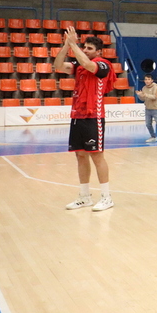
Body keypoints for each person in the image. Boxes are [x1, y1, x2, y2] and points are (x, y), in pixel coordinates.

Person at [54, 29, 117, 211]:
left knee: (96, 155)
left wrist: (74, 44)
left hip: (94, 116)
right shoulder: (78, 64)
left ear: (99, 51)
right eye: (85, 47)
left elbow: (88, 65)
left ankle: (106, 197)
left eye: (90, 48)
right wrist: (67, 45)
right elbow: (58, 65)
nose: (86, 50)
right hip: (77, 115)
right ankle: (84, 196)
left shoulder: (104, 64)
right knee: (80, 155)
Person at [136, 74, 157, 145]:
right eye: (146, 79)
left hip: (155, 108)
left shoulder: (156, 87)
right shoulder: (144, 88)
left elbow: (155, 97)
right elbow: (143, 99)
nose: (147, 81)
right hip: (148, 108)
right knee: (148, 124)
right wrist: (140, 95)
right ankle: (153, 136)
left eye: (148, 79)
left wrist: (145, 95)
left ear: (152, 80)